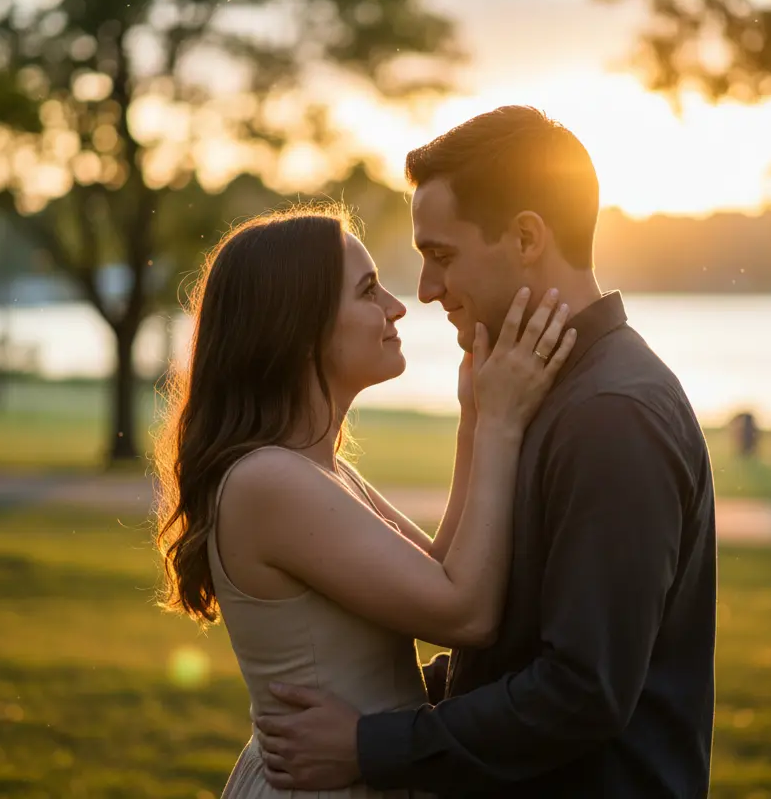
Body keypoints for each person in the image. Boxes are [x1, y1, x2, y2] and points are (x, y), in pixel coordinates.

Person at [255, 106, 718, 797]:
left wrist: (369, 744)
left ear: (527, 236)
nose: (426, 290)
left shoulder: (611, 415)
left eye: (441, 255)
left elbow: (580, 691)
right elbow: (515, 649)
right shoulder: (538, 390)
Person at [153, 206, 576, 799]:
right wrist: (502, 426)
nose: (397, 307)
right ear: (299, 331)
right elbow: (467, 615)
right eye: (367, 291)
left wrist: (474, 416)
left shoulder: (313, 470)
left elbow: (441, 573)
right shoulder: (270, 481)